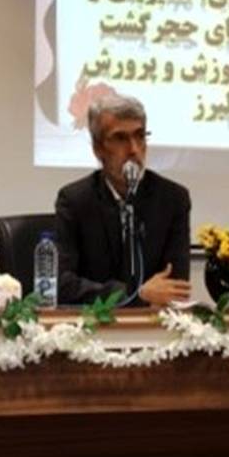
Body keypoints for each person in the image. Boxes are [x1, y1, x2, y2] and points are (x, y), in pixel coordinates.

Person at [54, 94, 191, 307]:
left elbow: (176, 286)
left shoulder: (173, 199)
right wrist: (137, 295)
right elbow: (62, 284)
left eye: (140, 136)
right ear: (98, 148)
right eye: (120, 138)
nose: (134, 149)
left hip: (153, 324)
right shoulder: (75, 201)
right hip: (93, 322)